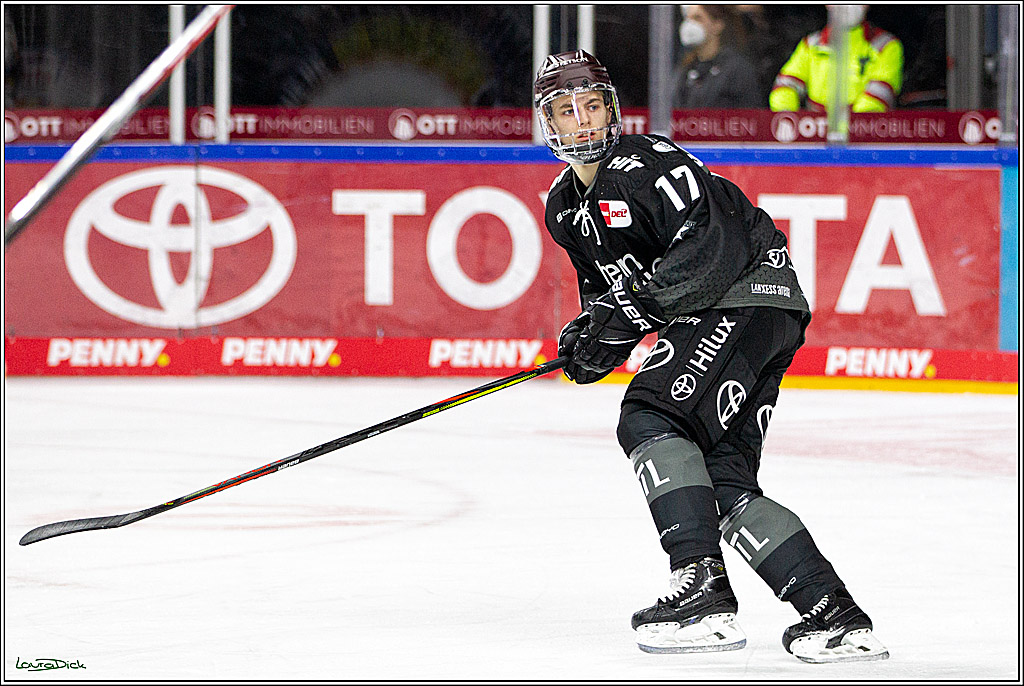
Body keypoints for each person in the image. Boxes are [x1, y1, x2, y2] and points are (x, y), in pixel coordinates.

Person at [535, 49, 889, 663]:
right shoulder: (564, 210)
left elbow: (708, 250)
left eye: (592, 105)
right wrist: (594, 340)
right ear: (548, 124)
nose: (583, 121)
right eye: (568, 111)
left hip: (744, 299)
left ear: (613, 109)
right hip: (749, 317)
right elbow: (615, 297)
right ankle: (834, 615)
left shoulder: (648, 163)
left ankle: (702, 592)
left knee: (650, 415)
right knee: (719, 485)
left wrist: (628, 316)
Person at [769, 5, 903, 112]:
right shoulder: (811, 45)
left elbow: (877, 99)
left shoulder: (886, 45)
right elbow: (784, 86)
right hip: (814, 139)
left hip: (867, 140)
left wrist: (849, 130)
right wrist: (792, 122)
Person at [671, 5, 761, 109]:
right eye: (687, 18)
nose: (690, 25)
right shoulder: (685, 67)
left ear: (717, 25)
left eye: (697, 18)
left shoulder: (737, 68)